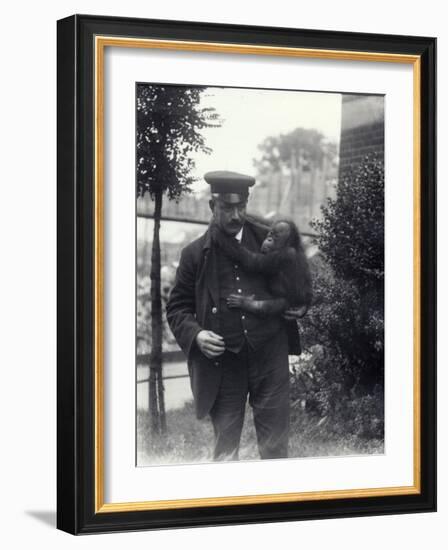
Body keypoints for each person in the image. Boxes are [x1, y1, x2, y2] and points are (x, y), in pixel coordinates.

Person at [166, 170, 307, 461]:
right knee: (226, 450)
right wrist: (197, 334)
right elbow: (177, 307)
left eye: (240, 207)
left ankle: (276, 502)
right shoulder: (194, 254)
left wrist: (302, 302)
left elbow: (300, 273)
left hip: (269, 357)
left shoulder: (271, 237)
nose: (235, 216)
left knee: (275, 448)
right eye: (227, 208)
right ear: (211, 206)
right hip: (224, 365)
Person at [211, 218, 312, 317]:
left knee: (264, 306)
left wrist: (221, 237)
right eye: (271, 233)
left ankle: (247, 304)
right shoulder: (296, 250)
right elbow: (307, 283)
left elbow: (252, 262)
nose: (269, 238)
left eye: (275, 237)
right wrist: (239, 218)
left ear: (286, 244)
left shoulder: (288, 254)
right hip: (289, 294)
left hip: (286, 300)